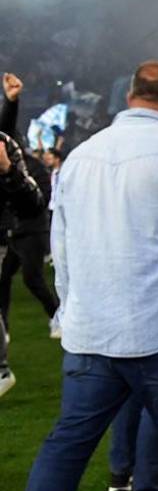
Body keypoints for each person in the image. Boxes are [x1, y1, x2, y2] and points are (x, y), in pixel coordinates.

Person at [14, 60, 158, 491]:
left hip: (92, 332)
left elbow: (59, 249)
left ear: (129, 98)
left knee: (66, 445)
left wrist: (70, 310)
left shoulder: (80, 158)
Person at [0, 72, 60, 339]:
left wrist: (11, 105)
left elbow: (38, 201)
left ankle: (59, 317)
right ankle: (4, 329)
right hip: (15, 230)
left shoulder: (34, 168)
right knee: (3, 280)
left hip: (32, 230)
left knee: (32, 279)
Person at [0, 126, 45, 398]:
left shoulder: (5, 144)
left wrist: (7, 169)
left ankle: (2, 369)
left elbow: (34, 202)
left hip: (6, 234)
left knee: (32, 279)